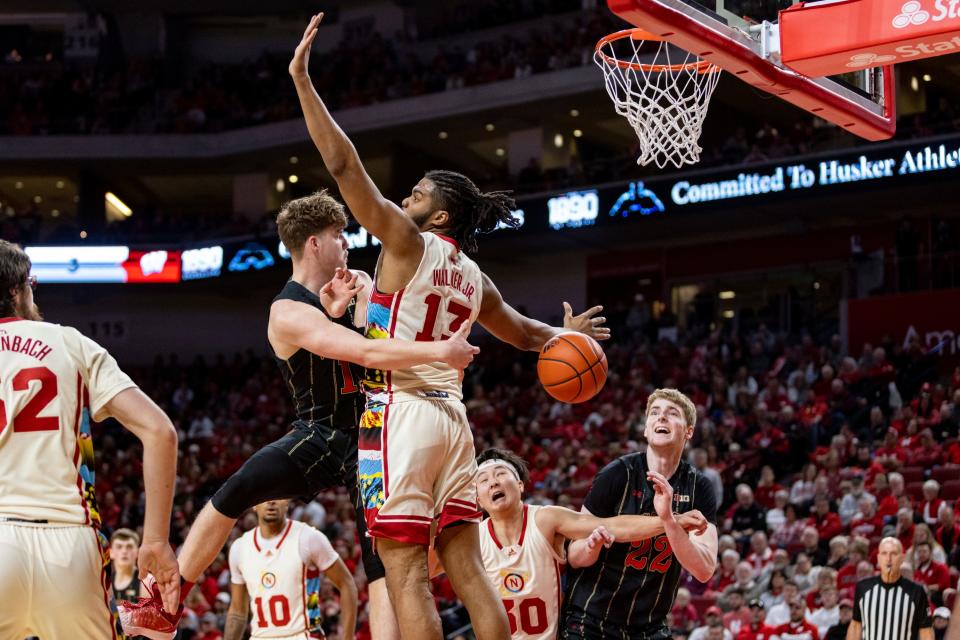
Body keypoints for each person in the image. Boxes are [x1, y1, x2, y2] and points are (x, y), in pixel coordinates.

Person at [289, 14, 609, 640]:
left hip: (399, 413)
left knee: (405, 572)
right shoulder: (475, 277)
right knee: (467, 568)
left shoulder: (408, 240)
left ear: (437, 213)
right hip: (453, 422)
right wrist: (566, 338)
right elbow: (521, 333)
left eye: (414, 194)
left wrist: (303, 82)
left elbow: (344, 167)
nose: (403, 199)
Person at [122, 191, 480, 639]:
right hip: (321, 431)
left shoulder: (356, 287)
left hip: (376, 431)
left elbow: (376, 338)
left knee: (382, 561)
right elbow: (368, 351)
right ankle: (166, 607)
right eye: (338, 235)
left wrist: (357, 303)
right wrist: (441, 351)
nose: (347, 243)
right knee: (238, 488)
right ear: (314, 244)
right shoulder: (287, 311)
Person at [0, 239, 180, 638]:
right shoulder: (68, 342)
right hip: (69, 543)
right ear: (15, 290)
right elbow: (160, 431)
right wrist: (154, 540)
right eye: (31, 284)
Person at [475, 448, 707, 640]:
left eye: (500, 474)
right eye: (483, 480)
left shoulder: (545, 519)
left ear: (520, 484)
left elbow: (614, 526)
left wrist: (671, 520)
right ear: (476, 497)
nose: (493, 482)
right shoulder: (472, 539)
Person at [560, 388, 719, 639]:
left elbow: (704, 569)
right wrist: (592, 546)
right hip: (590, 618)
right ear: (646, 429)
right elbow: (574, 556)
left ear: (688, 431)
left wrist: (668, 520)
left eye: (672, 413)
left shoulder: (699, 487)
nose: (661, 417)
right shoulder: (617, 474)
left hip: (649, 626)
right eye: (655, 413)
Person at [225, 499, 357, 640]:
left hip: (304, 635)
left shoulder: (308, 538)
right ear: (254, 504)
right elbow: (237, 612)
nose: (271, 502)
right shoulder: (240, 548)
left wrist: (347, 637)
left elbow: (347, 584)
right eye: (265, 497)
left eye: (277, 496)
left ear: (287, 502)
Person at [847, 537, 933, 640]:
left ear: (902, 558)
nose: (889, 559)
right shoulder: (863, 588)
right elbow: (856, 625)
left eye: (894, 554)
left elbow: (926, 630)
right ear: (878, 558)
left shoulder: (917, 591)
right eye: (884, 553)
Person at [112, 528, 149, 602]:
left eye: (129, 547)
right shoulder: (104, 582)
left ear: (137, 552)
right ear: (111, 552)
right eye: (119, 547)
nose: (124, 551)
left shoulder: (147, 583)